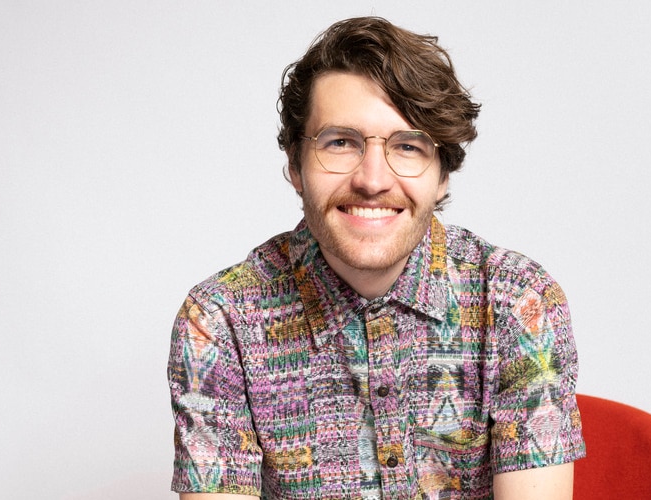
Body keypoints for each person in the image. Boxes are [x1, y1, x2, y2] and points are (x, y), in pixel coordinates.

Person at [168, 16, 585, 500]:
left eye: (407, 146)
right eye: (340, 142)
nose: (372, 179)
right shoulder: (219, 322)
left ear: (443, 174)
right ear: (295, 167)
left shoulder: (518, 302)